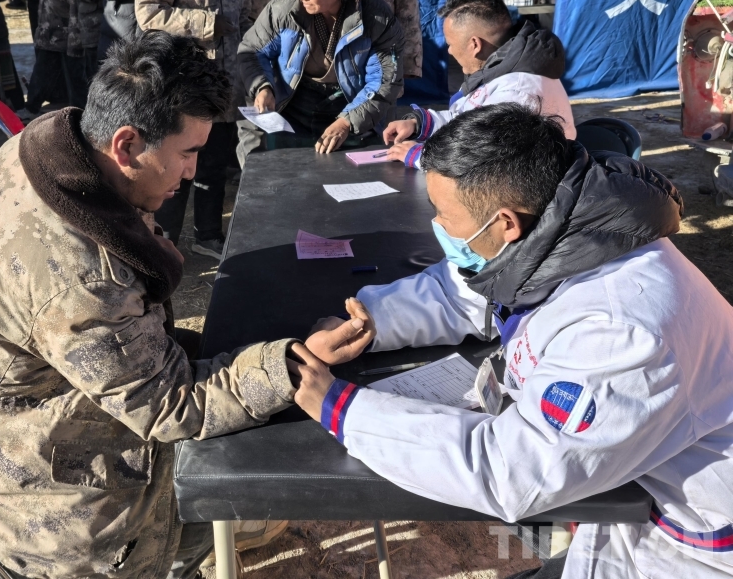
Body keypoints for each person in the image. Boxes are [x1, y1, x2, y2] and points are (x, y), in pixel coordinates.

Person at [0, 31, 371, 579]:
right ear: (125, 145)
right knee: (235, 453)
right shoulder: (82, 279)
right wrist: (290, 363)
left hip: (0, 404)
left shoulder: (50, 146)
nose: (193, 171)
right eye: (187, 153)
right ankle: (192, 541)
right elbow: (171, 407)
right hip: (15, 477)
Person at [289, 102, 733, 579]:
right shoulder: (563, 230)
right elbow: (461, 293)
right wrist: (369, 323)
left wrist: (343, 409)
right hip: (637, 496)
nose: (437, 226)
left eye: (444, 214)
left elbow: (510, 470)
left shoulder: (622, 331)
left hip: (692, 549)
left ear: (504, 223)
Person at [134, 0, 253, 260]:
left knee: (214, 163)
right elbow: (148, 13)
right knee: (176, 164)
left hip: (225, 79)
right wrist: (205, 23)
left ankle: (208, 234)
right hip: (184, 80)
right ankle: (163, 238)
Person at [237, 0, 403, 165]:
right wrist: (263, 87)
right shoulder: (284, 9)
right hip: (293, 104)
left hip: (351, 105)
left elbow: (384, 82)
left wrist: (347, 121)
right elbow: (252, 50)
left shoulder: (376, 19)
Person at [383, 0, 575, 167]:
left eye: (450, 44)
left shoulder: (517, 92)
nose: (449, 51)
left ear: (474, 44)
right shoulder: (498, 73)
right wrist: (419, 124)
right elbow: (467, 123)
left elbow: (484, 160)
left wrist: (422, 155)